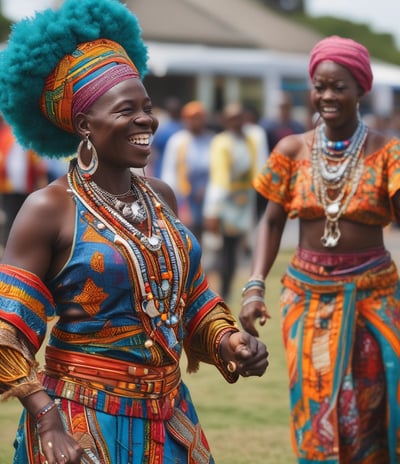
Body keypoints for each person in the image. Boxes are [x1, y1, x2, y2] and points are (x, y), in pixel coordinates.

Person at [0, 1, 269, 463]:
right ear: (85, 125)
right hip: (82, 422)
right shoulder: (49, 208)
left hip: (169, 417)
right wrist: (47, 419)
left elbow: (189, 299)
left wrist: (227, 341)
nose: (147, 120)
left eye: (147, 107)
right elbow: (7, 332)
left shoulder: (160, 196)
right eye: (127, 110)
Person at [239, 36, 400, 463]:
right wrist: (254, 286)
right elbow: (271, 221)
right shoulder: (291, 150)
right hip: (307, 298)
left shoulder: (388, 153)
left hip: (373, 297)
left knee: (371, 405)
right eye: (319, 86)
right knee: (315, 406)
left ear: (361, 90)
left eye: (339, 87)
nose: (327, 96)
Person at [203, 102, 259, 301]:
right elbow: (219, 180)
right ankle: (211, 295)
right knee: (219, 253)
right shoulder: (221, 142)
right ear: (226, 121)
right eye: (232, 118)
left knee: (233, 254)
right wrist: (212, 212)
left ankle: (225, 293)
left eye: (240, 117)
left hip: (242, 205)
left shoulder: (250, 141)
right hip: (224, 206)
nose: (237, 122)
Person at [160, 101, 214, 241]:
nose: (195, 122)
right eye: (191, 118)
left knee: (202, 230)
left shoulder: (211, 140)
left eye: (198, 118)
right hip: (183, 195)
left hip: (205, 194)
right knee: (185, 231)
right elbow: (170, 171)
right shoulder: (177, 141)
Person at [0, 113, 48, 249]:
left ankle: (21, 246)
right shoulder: (4, 136)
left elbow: (37, 162)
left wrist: (40, 182)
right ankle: (9, 246)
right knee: (10, 218)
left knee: (25, 218)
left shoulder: (25, 138)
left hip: (26, 187)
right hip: (8, 188)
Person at [150, 96, 183, 178]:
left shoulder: (162, 128)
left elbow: (152, 150)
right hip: (165, 167)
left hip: (167, 168)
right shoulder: (183, 127)